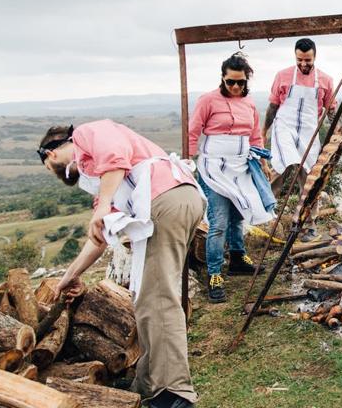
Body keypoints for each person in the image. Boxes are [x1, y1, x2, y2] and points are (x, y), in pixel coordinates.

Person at [38, 120, 204, 408]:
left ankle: (175, 393)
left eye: (50, 171)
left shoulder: (87, 134)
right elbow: (98, 237)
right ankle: (149, 382)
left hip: (164, 201)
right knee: (148, 298)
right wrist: (70, 276)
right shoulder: (103, 179)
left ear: (50, 155)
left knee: (157, 300)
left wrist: (102, 208)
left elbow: (115, 156)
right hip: (177, 198)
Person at [188, 52, 275, 304]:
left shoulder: (248, 104)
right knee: (219, 221)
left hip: (241, 165)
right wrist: (187, 162)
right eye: (230, 82)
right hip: (214, 167)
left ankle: (238, 258)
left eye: (240, 82)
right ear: (222, 79)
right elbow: (193, 132)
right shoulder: (208, 101)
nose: (235, 87)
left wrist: (262, 162)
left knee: (239, 213)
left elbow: (255, 136)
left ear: (247, 81)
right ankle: (215, 273)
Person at [264, 38, 336, 198]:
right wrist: (263, 132)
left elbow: (331, 109)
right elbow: (273, 106)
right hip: (284, 127)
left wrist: (338, 131)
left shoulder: (325, 80)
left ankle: (308, 217)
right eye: (300, 60)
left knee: (309, 172)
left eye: (308, 60)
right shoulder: (283, 76)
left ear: (315, 57)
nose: (303, 64)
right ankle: (265, 212)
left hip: (309, 130)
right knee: (283, 164)